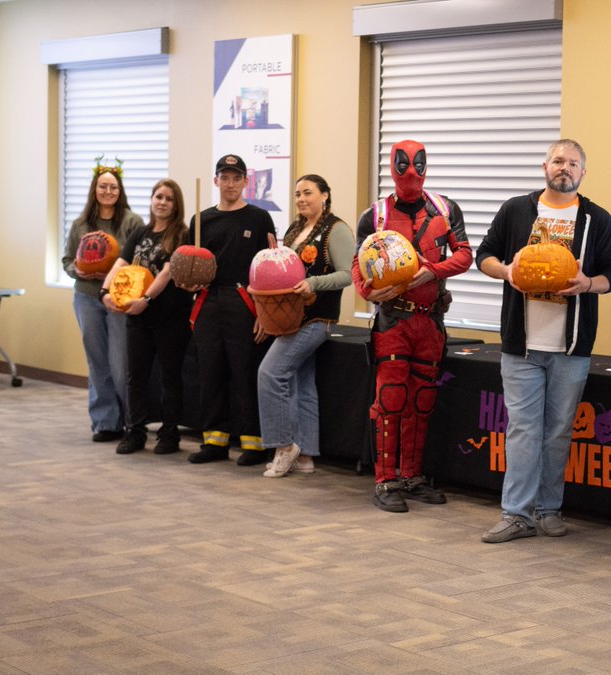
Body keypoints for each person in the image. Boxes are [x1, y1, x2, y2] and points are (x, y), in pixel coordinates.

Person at [476, 139, 611, 542]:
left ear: (582, 173)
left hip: (571, 347)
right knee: (524, 430)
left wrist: (589, 283)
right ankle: (516, 514)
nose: (565, 168)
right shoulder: (516, 210)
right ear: (545, 166)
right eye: (558, 160)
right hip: (522, 345)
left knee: (558, 431)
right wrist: (507, 272)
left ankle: (548, 509)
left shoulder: (597, 218)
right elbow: (484, 255)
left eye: (573, 163)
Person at [352, 141, 473, 511]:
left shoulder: (444, 208)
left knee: (422, 401)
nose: (411, 171)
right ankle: (386, 480)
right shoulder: (375, 216)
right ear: (392, 165)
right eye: (404, 164)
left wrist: (431, 272)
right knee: (390, 399)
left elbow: (466, 254)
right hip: (393, 319)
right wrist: (368, 292)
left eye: (418, 163)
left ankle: (412, 475)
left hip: (430, 320)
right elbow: (358, 266)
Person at [179, 154, 275, 465]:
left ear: (247, 182)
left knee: (244, 371)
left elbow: (271, 267)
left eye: (237, 177)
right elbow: (189, 265)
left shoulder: (260, 219)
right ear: (216, 180)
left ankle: (254, 443)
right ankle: (215, 442)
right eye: (225, 177)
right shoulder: (201, 220)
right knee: (210, 372)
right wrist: (189, 283)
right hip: (208, 302)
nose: (230, 183)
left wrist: (264, 311)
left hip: (244, 300)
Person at [257, 175, 353, 477]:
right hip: (290, 318)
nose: (301, 199)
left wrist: (313, 283)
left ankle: (283, 445)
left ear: (324, 195)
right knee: (302, 384)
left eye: (308, 193)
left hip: (316, 319)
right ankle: (306, 455)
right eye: (297, 193)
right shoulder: (295, 228)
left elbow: (347, 274)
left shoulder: (336, 229)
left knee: (270, 373)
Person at [101, 179, 193, 455]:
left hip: (170, 318)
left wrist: (147, 300)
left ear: (176, 205)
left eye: (169, 199)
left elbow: (167, 272)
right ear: (152, 200)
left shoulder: (181, 234)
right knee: (136, 376)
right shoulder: (139, 233)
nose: (162, 202)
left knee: (170, 376)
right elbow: (120, 264)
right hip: (138, 320)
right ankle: (135, 431)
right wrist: (105, 291)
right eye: (158, 197)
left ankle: (169, 434)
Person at [63, 160, 144, 442]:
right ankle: (105, 421)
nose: (108, 191)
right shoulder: (80, 224)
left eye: (113, 186)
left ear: (120, 191)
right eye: (103, 186)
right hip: (86, 297)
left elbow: (139, 259)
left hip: (119, 299)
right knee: (97, 360)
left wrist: (113, 276)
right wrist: (81, 270)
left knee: (121, 361)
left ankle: (131, 419)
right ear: (94, 189)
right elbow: (67, 261)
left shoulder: (133, 222)